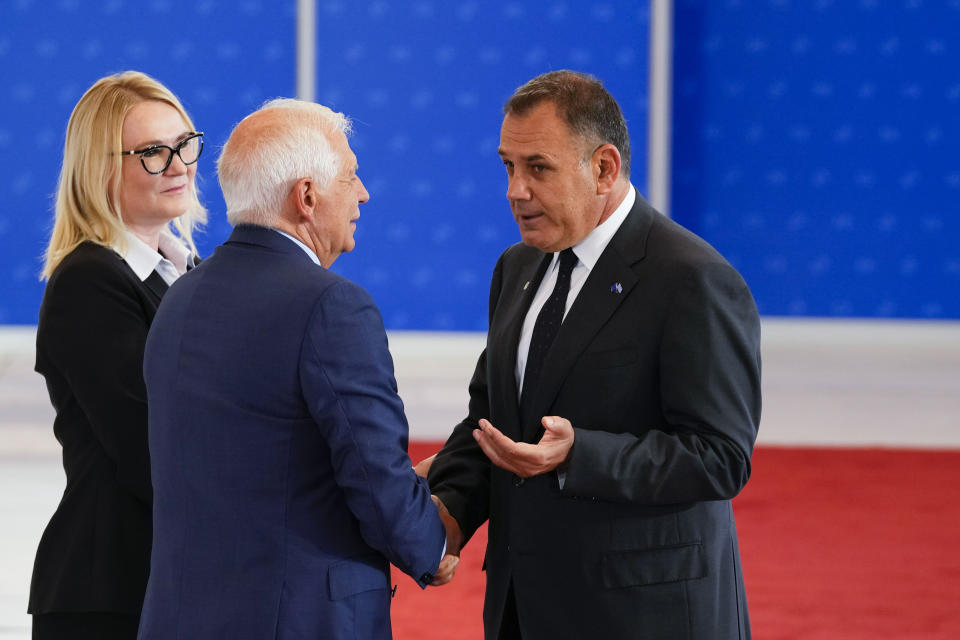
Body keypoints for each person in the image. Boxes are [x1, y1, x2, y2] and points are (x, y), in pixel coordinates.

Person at [423, 70, 762, 639]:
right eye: (508, 166)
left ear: (603, 168)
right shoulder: (517, 268)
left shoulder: (692, 279)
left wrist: (580, 454)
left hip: (643, 616)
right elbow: (492, 422)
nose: (515, 190)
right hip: (524, 609)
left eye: (538, 168)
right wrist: (446, 514)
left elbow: (721, 456)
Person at [138, 99, 459, 640]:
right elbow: (376, 479)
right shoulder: (333, 306)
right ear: (307, 197)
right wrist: (431, 546)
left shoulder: (178, 297)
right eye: (352, 177)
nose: (363, 194)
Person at [29, 71, 206, 640]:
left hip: (170, 578)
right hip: (109, 592)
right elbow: (148, 446)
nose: (178, 165)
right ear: (100, 167)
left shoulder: (188, 272)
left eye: (184, 145)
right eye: (154, 152)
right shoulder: (89, 279)